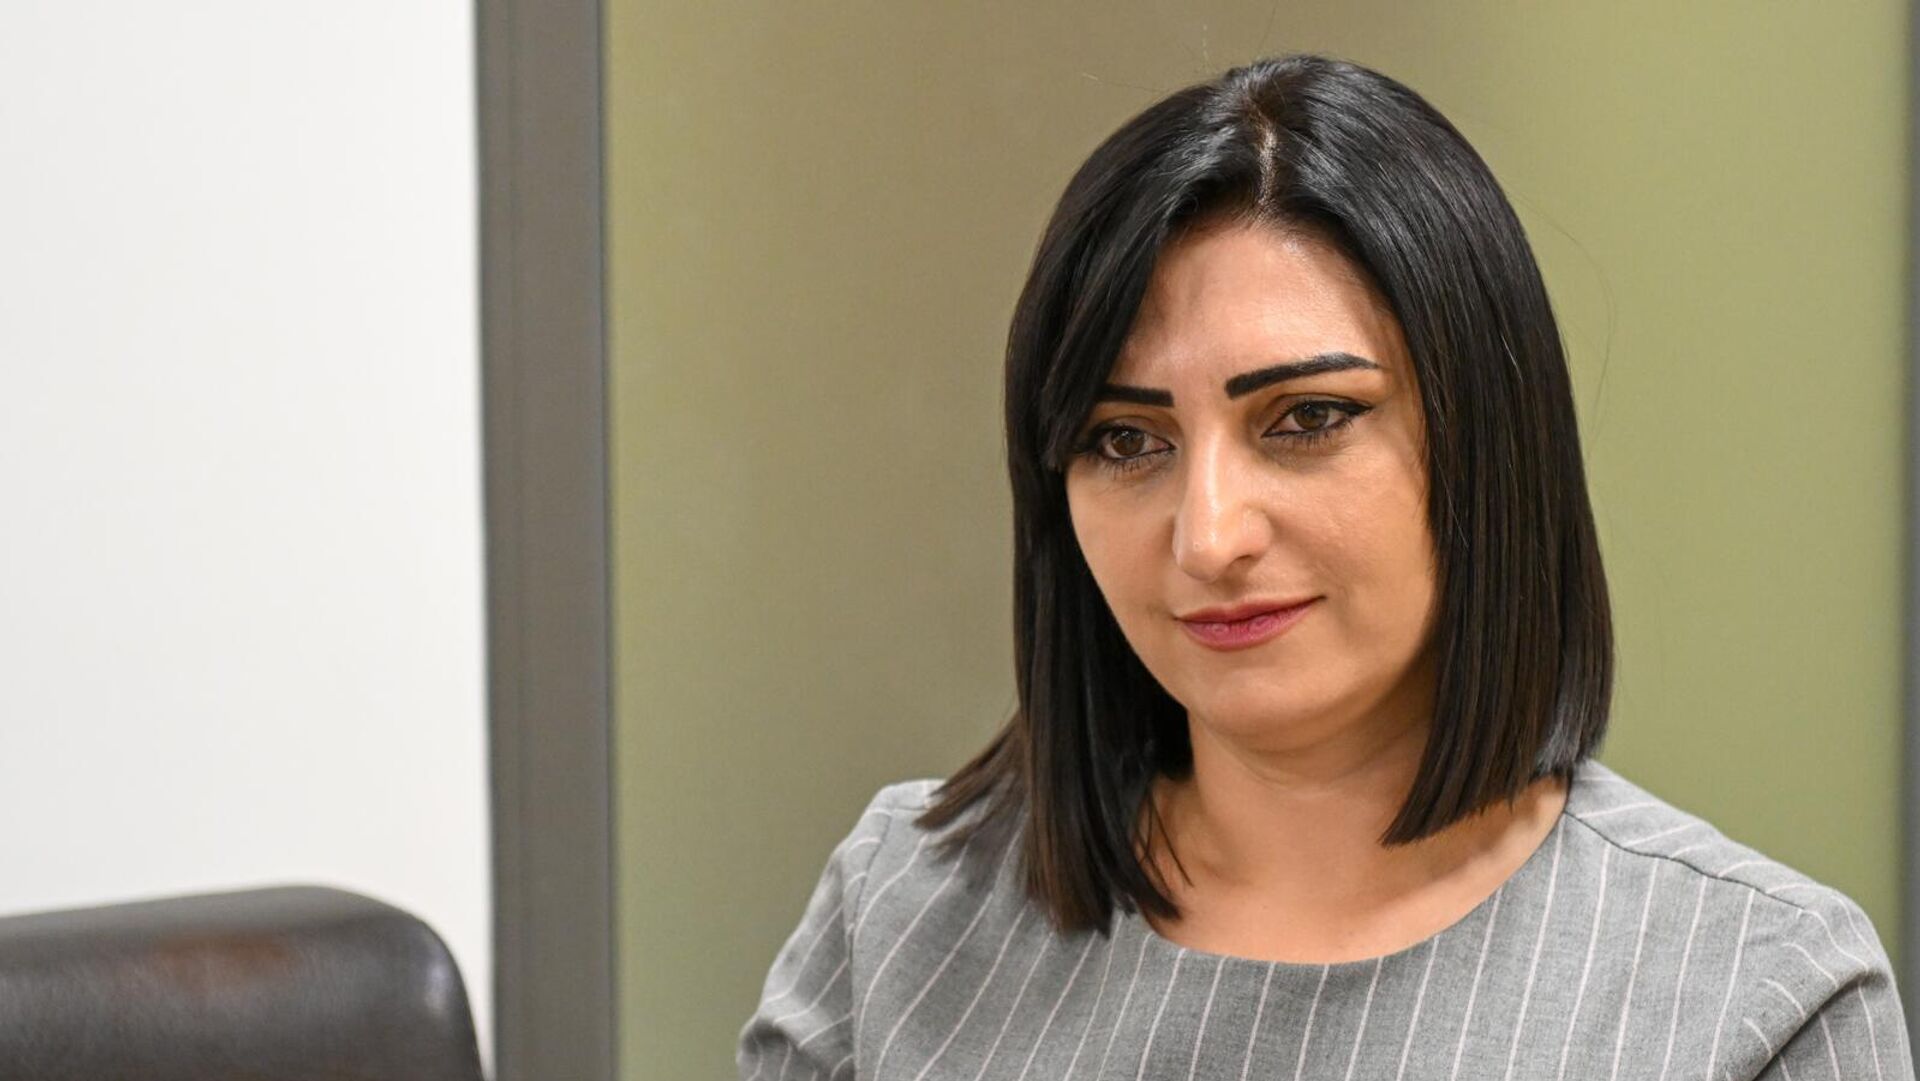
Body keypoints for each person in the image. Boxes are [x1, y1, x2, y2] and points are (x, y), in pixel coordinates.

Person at [736, 53, 1913, 1080]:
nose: (1209, 537)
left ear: (1488, 441)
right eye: (1127, 440)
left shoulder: (1757, 990)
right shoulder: (906, 909)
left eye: (1306, 419)